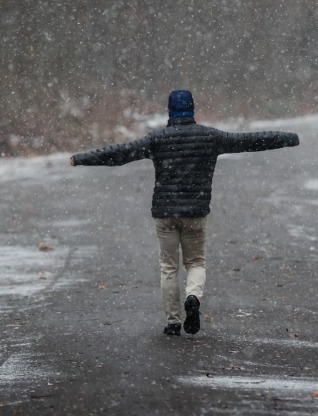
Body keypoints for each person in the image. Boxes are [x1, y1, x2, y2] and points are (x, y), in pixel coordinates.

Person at [69, 89, 299, 336]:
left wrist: (81, 159)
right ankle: (193, 296)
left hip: (165, 213)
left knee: (169, 267)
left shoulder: (157, 139)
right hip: (195, 212)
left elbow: (120, 154)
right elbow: (250, 140)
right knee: (195, 262)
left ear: (170, 111)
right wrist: (287, 138)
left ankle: (173, 322)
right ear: (192, 109)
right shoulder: (210, 137)